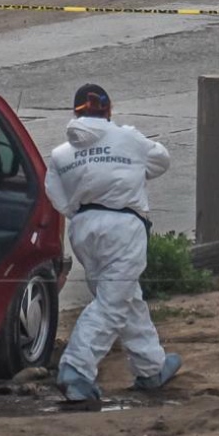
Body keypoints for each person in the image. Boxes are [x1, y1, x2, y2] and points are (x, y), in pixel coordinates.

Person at [45, 83, 180, 402]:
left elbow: (57, 198)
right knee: (112, 302)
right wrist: (127, 172)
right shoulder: (128, 138)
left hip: (84, 230)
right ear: (108, 110)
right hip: (123, 227)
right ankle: (77, 368)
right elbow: (161, 161)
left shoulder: (61, 155)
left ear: (74, 113)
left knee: (124, 297)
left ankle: (151, 367)